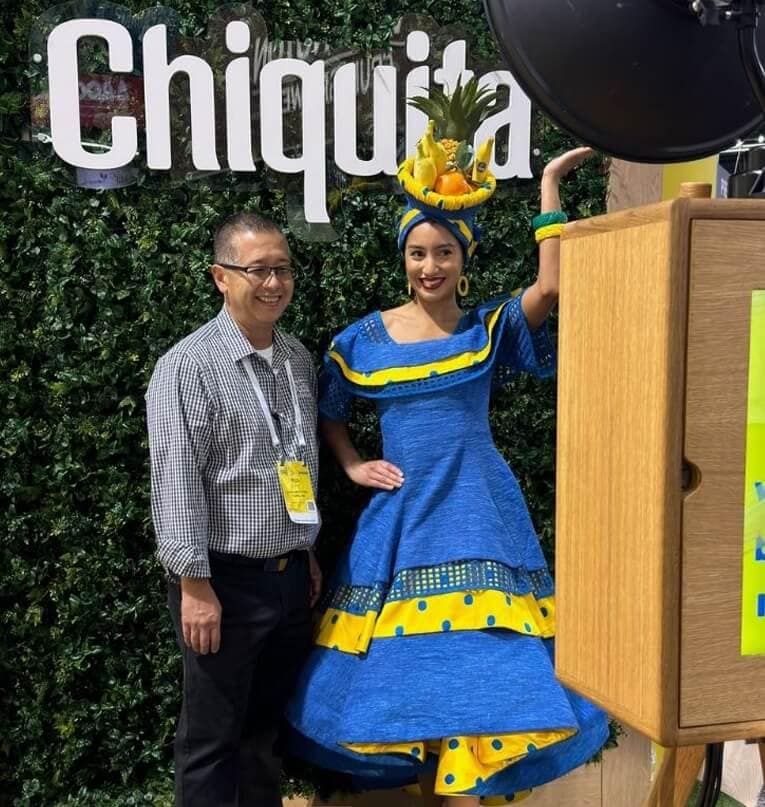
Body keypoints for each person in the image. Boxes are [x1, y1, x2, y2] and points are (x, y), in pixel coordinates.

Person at [285, 140, 609, 806]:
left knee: (479, 659)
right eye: (417, 252)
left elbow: (550, 286)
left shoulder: (486, 327)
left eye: (443, 252)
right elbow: (330, 410)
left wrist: (547, 185)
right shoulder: (361, 341)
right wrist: (350, 463)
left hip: (478, 512)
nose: (429, 266)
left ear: (463, 260)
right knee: (401, 666)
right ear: (402, 259)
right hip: (401, 515)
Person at [146, 212, 322, 807]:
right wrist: (194, 585)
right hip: (221, 583)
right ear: (221, 277)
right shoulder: (186, 367)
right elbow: (175, 482)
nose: (273, 283)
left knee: (264, 738)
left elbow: (295, 458)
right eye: (257, 271)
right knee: (211, 741)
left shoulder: (296, 357)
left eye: (282, 269)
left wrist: (305, 551)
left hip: (290, 578)